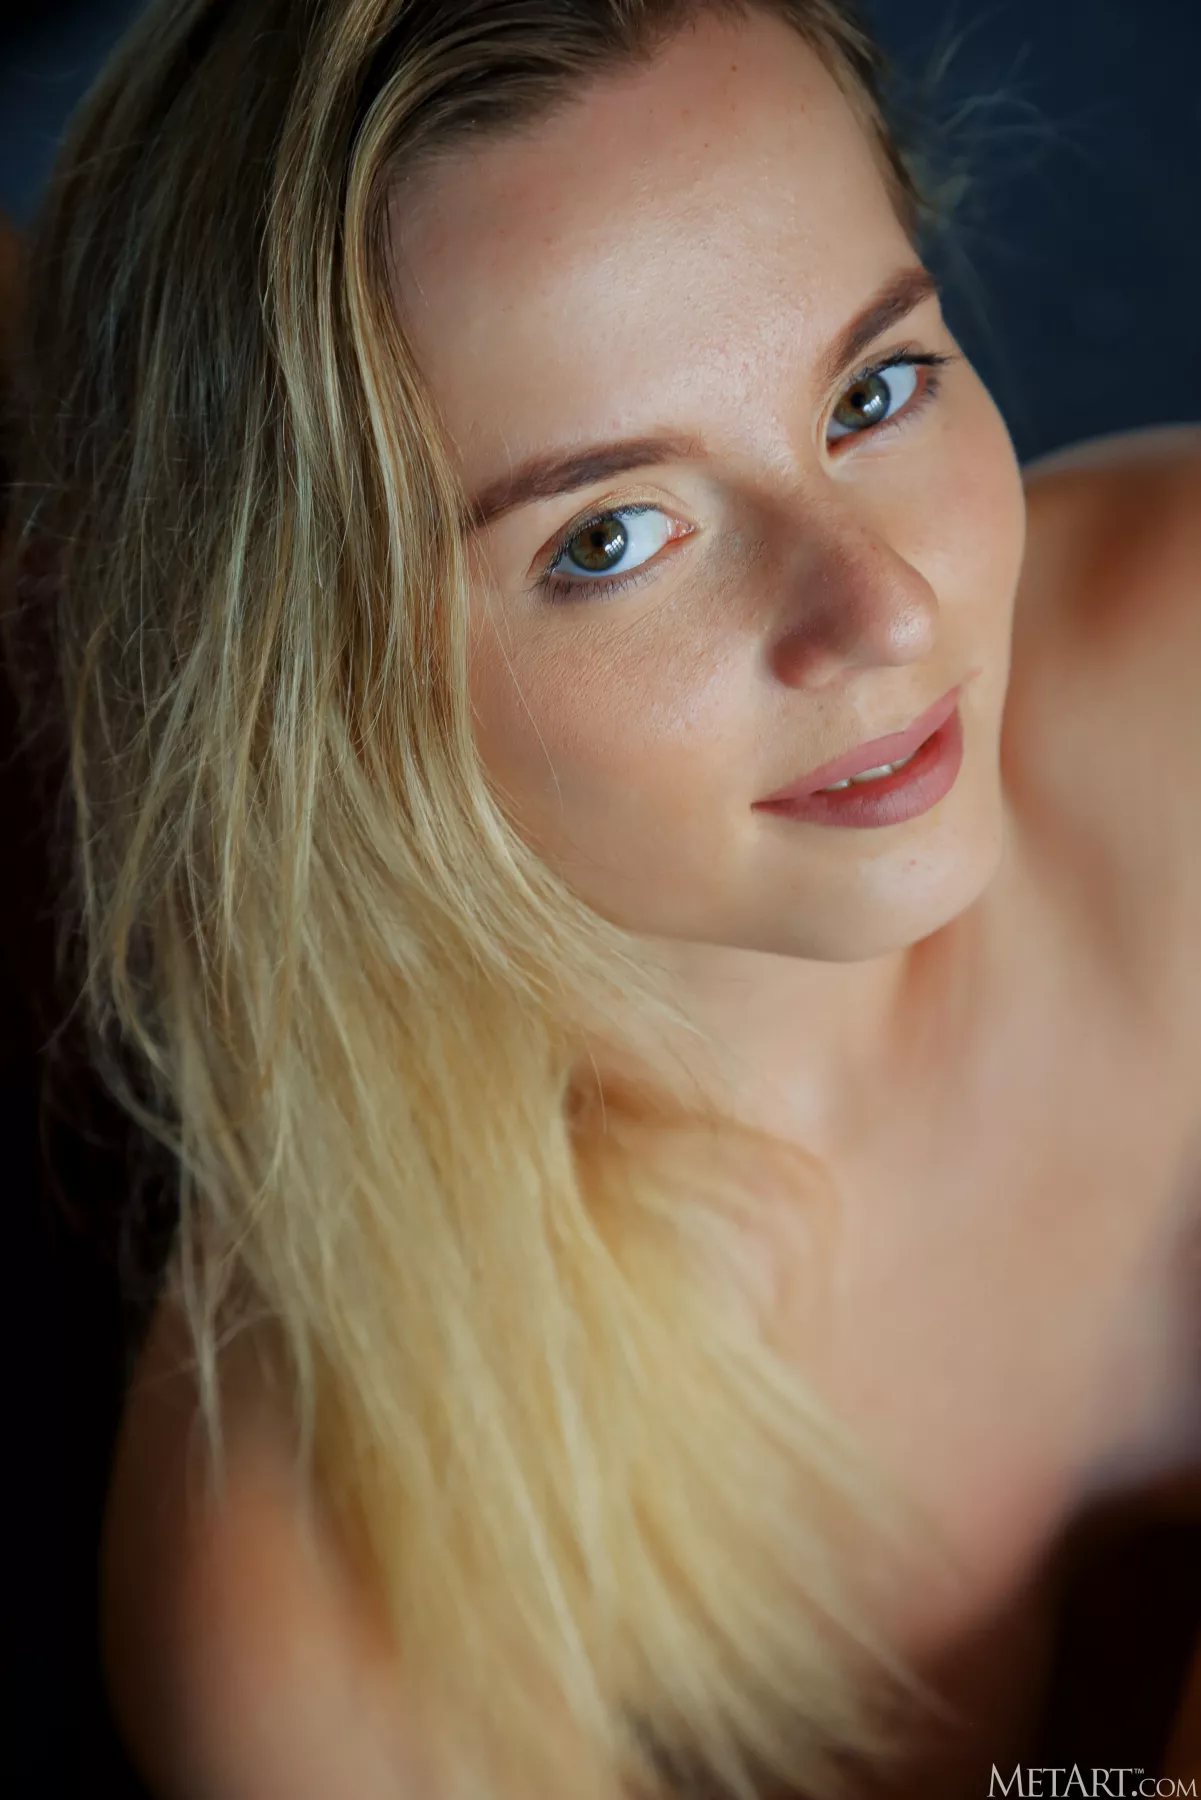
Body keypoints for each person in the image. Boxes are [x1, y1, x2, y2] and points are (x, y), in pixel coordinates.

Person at [1, 2, 1198, 1796]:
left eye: (871, 392)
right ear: (300, 702)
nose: (881, 611)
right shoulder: (337, 1584)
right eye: (611, 538)